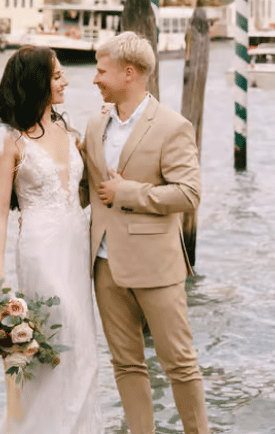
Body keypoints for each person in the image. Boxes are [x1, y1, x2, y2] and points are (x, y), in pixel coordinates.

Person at [81, 32, 209, 434]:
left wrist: (128, 192)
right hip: (103, 267)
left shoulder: (173, 127)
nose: (95, 79)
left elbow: (189, 194)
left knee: (180, 363)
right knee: (126, 363)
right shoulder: (93, 123)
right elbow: (86, 188)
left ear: (128, 73)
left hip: (156, 266)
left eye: (102, 70)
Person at [0, 45, 103, 434]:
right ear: (37, 83)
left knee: (83, 350)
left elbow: (80, 192)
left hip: (75, 246)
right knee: (57, 344)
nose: (65, 81)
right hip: (41, 249)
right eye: (56, 75)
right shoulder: (8, 141)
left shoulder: (67, 131)